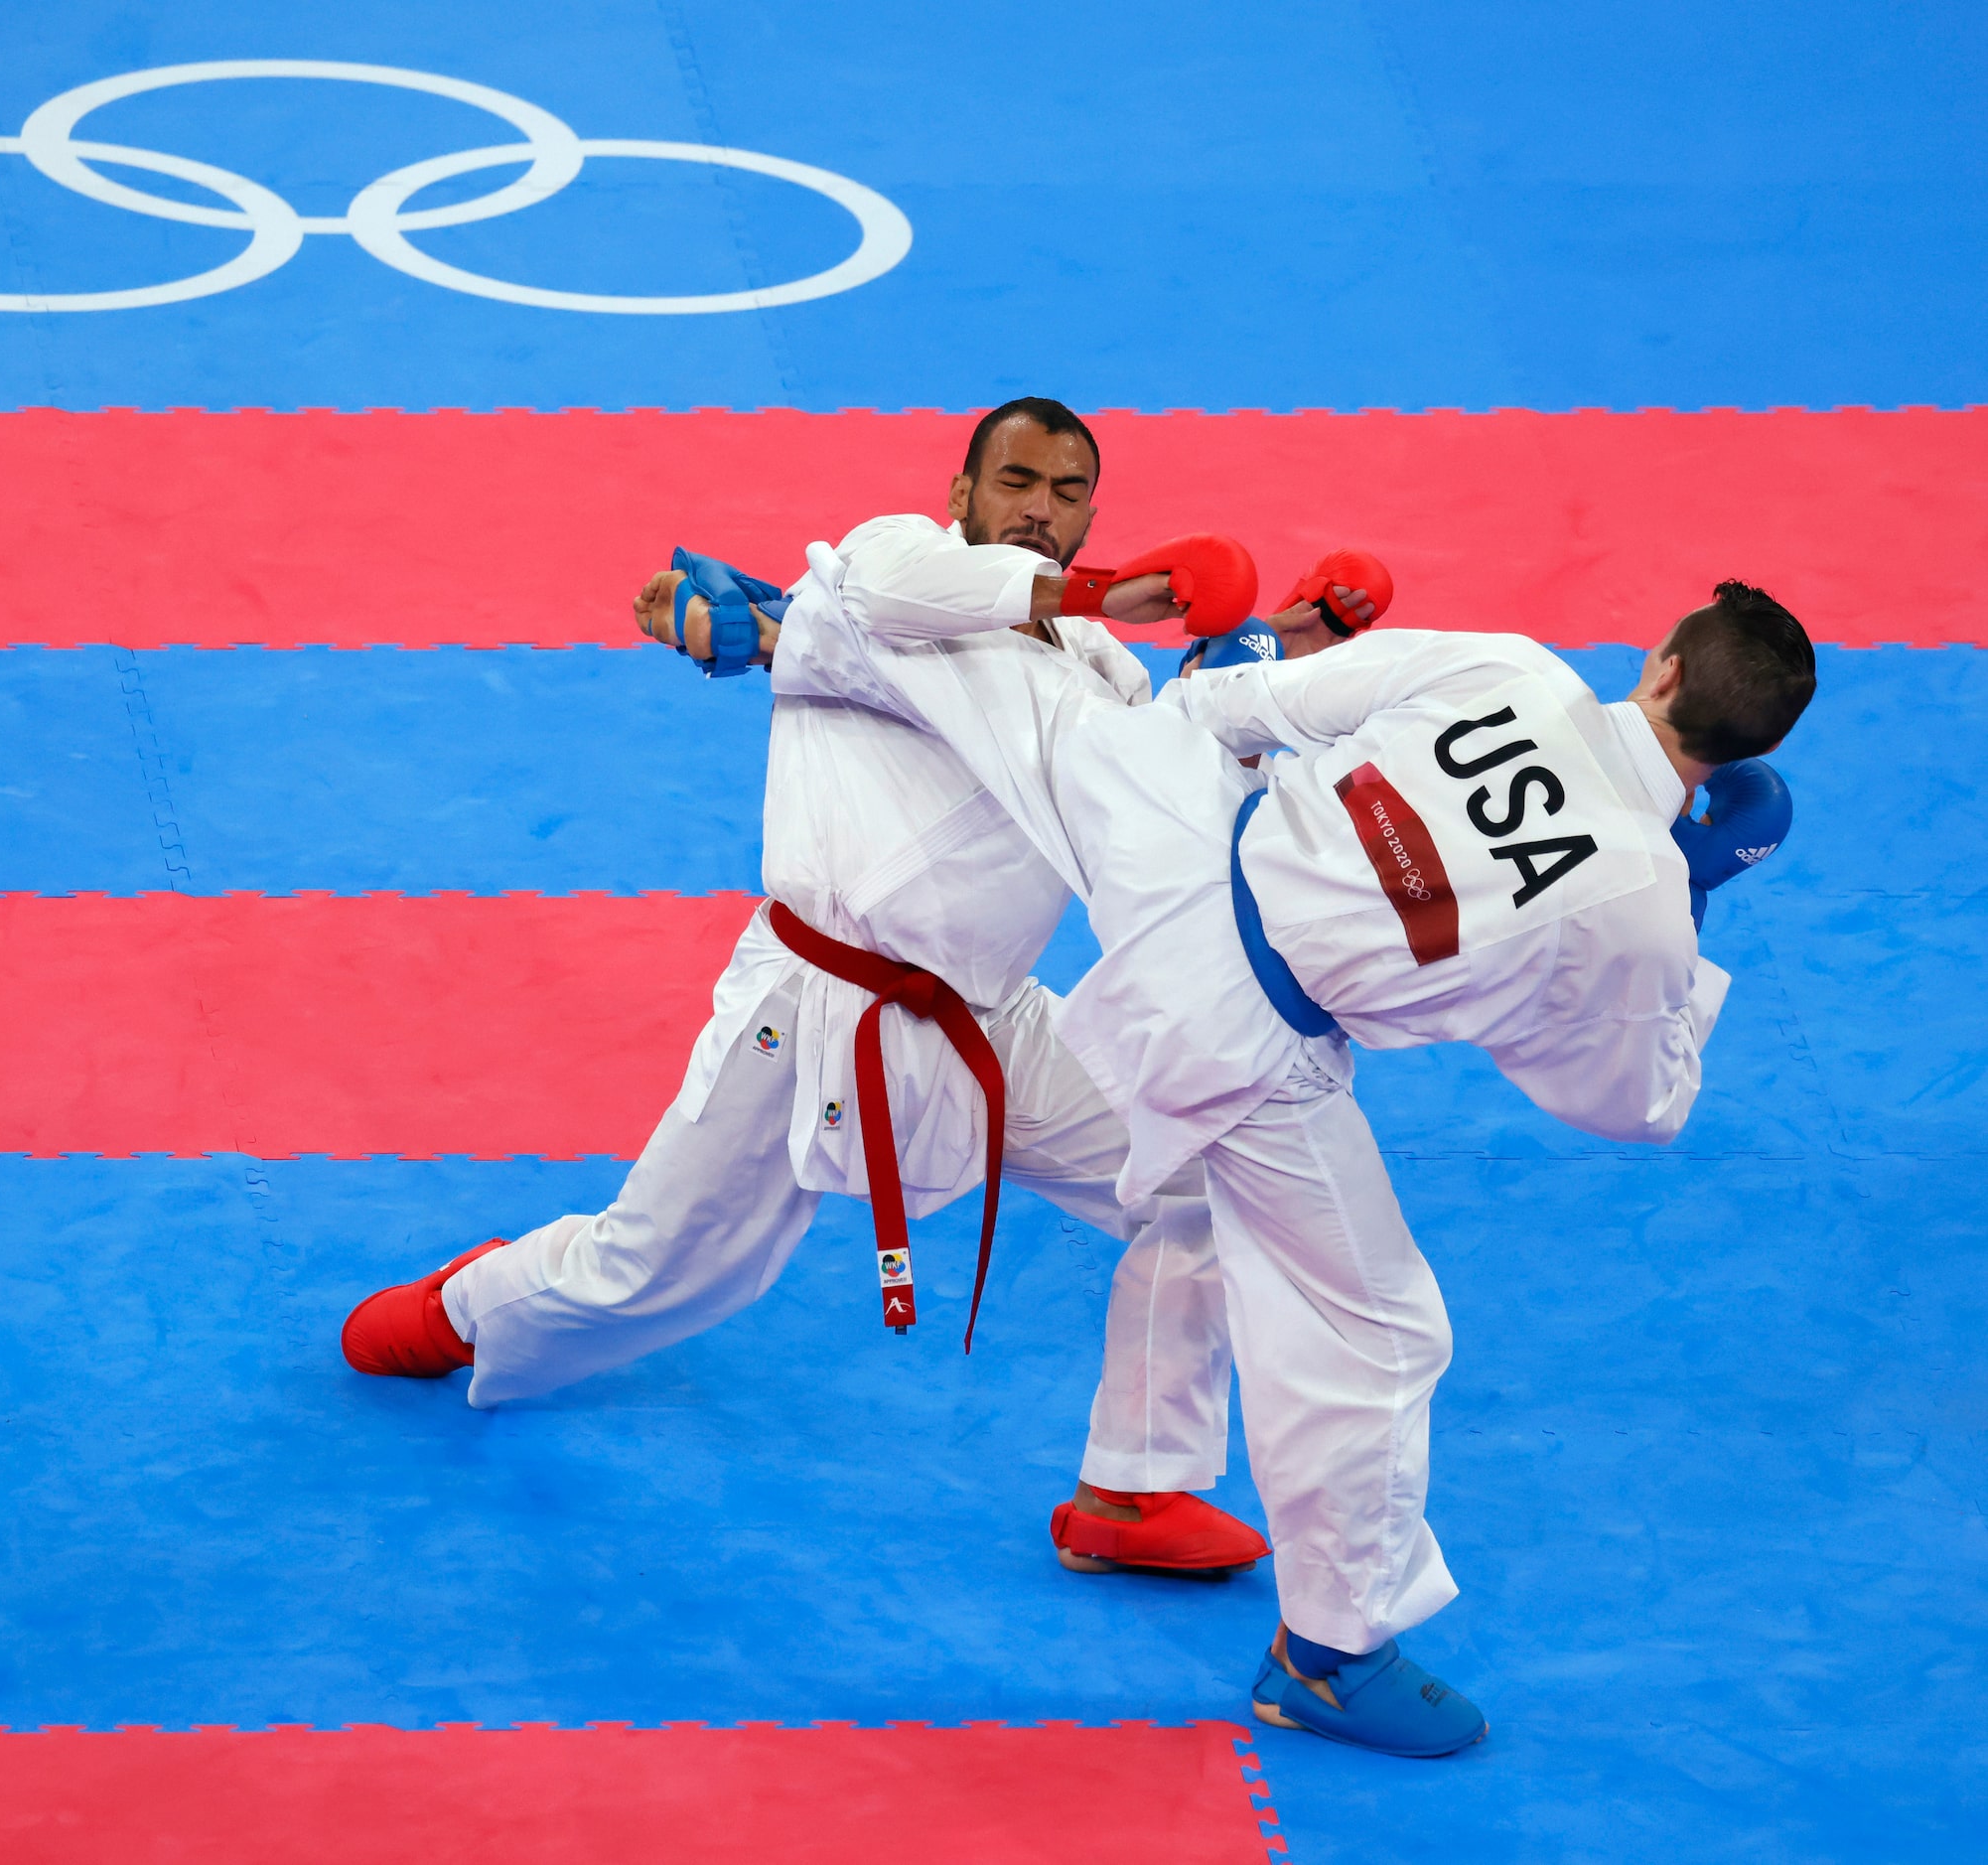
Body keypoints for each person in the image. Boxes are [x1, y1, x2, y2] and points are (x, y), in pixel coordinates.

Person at [342, 398, 1371, 1584]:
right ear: (961, 492)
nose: (1039, 507)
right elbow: (880, 591)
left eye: (1068, 490)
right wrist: (1091, 591)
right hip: (819, 1006)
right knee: (662, 1272)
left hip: (990, 1012)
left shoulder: (1095, 672)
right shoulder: (879, 583)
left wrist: (1270, 667)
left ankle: (1133, 1490)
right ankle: (471, 1307)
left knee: (1194, 1182)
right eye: (1016, 480)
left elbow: (1166, 797)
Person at [1025, 583, 1810, 1755]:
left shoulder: (1511, 663)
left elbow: (1256, 702)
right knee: (1382, 1336)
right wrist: (1688, 898)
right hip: (1241, 1043)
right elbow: (1637, 1104)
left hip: (1168, 850)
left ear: (1659, 667)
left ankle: (1124, 1489)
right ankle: (1327, 1662)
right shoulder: (1635, 903)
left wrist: (1231, 673)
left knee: (1175, 1195)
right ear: (1753, 747)